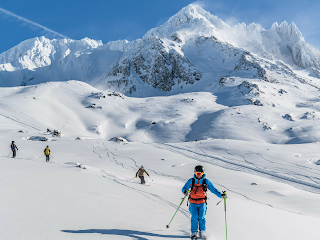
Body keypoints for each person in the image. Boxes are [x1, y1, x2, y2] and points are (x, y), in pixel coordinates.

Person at [181, 165, 227, 240]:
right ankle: (193, 232)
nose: (198, 175)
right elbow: (184, 188)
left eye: (200, 174)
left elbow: (213, 189)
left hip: (202, 202)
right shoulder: (191, 181)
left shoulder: (206, 181)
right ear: (194, 173)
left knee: (201, 217)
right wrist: (185, 191)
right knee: (194, 217)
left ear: (203, 173)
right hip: (193, 202)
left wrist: (221, 195)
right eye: (197, 173)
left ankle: (202, 232)